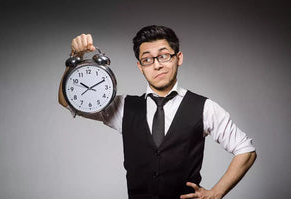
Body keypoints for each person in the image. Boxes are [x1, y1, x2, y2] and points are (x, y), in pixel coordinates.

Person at [58, 25, 256, 199]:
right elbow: (67, 101)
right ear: (140, 67)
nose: (157, 65)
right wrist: (75, 57)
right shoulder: (123, 106)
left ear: (178, 58)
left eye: (163, 56)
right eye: (147, 59)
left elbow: (245, 150)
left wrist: (216, 193)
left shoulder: (205, 107)